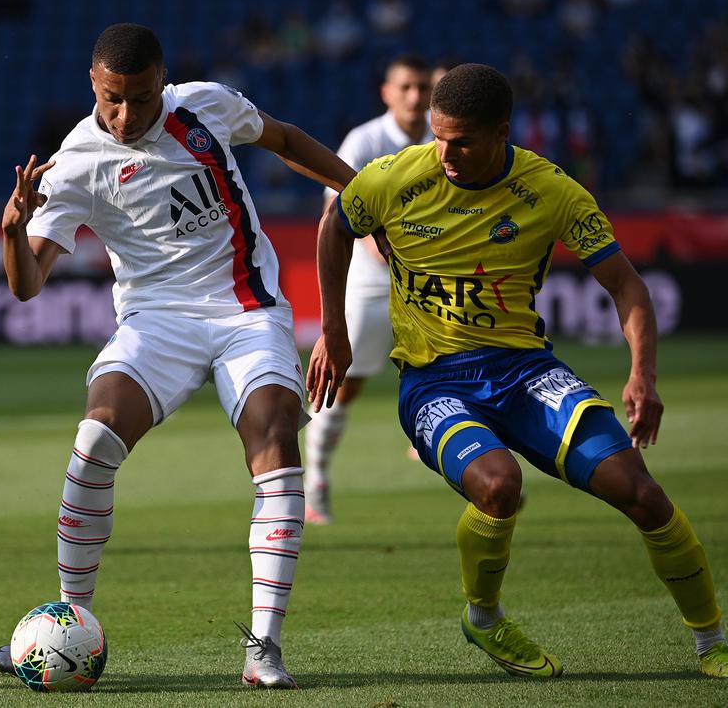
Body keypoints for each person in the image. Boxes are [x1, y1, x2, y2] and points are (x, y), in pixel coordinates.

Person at [308, 63, 728, 679]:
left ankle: (712, 641)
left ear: (502, 131)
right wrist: (335, 334)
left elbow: (627, 286)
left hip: (526, 373)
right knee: (499, 486)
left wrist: (643, 374)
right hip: (435, 381)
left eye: (463, 140)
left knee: (643, 495)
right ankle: (484, 619)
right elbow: (334, 227)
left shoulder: (550, 191)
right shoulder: (395, 177)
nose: (444, 153)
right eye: (438, 134)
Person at [0, 23, 355, 689]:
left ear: (163, 83)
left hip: (246, 307)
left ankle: (264, 648)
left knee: (274, 433)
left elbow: (285, 140)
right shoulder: (73, 162)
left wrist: (358, 193)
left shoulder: (205, 106)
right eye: (110, 100)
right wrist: (14, 233)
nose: (125, 115)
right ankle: (68, 622)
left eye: (140, 98)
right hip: (156, 320)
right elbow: (24, 285)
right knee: (95, 436)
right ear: (92, 87)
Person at [303, 54, 434, 525]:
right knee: (344, 384)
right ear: (387, 92)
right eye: (406, 87)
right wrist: (389, 252)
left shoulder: (445, 140)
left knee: (463, 363)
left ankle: (459, 458)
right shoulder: (366, 140)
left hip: (430, 282)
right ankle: (314, 480)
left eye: (422, 87)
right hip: (373, 283)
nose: (415, 97)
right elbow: (336, 217)